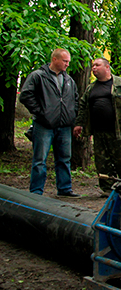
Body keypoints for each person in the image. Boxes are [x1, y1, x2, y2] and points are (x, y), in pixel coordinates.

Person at [73, 58, 121, 195]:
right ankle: (107, 189)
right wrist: (79, 124)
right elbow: (83, 106)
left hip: (119, 131)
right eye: (93, 66)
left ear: (107, 67)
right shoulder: (91, 88)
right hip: (99, 132)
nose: (94, 68)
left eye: (97, 65)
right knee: (102, 162)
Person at [19, 48, 79, 197]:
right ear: (55, 59)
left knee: (64, 159)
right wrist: (40, 112)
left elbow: (75, 99)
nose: (67, 64)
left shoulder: (69, 80)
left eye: (68, 62)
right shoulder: (38, 76)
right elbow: (26, 95)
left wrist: (72, 115)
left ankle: (64, 189)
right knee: (40, 159)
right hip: (44, 125)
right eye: (65, 61)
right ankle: (36, 191)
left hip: (64, 126)